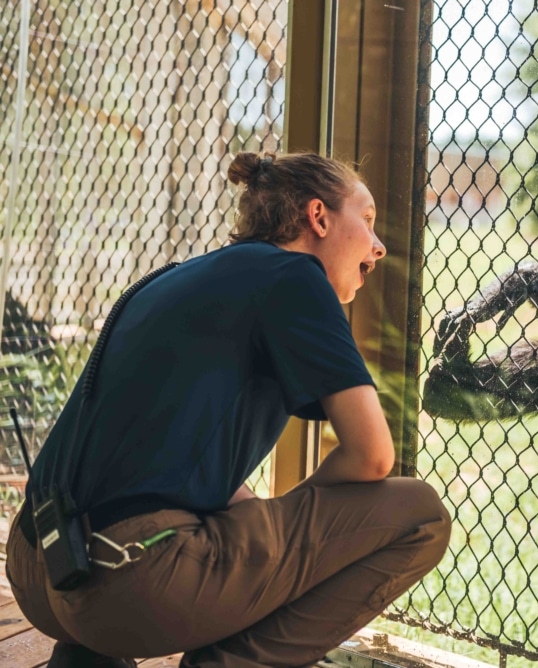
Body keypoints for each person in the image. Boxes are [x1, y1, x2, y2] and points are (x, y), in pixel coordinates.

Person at [6, 152, 452, 667]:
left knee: (222, 509)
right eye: (367, 219)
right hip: (130, 581)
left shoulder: (179, 277)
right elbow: (374, 456)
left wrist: (254, 516)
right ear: (319, 217)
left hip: (39, 564)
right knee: (419, 513)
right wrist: (286, 530)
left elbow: (162, 450)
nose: (378, 246)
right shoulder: (295, 276)